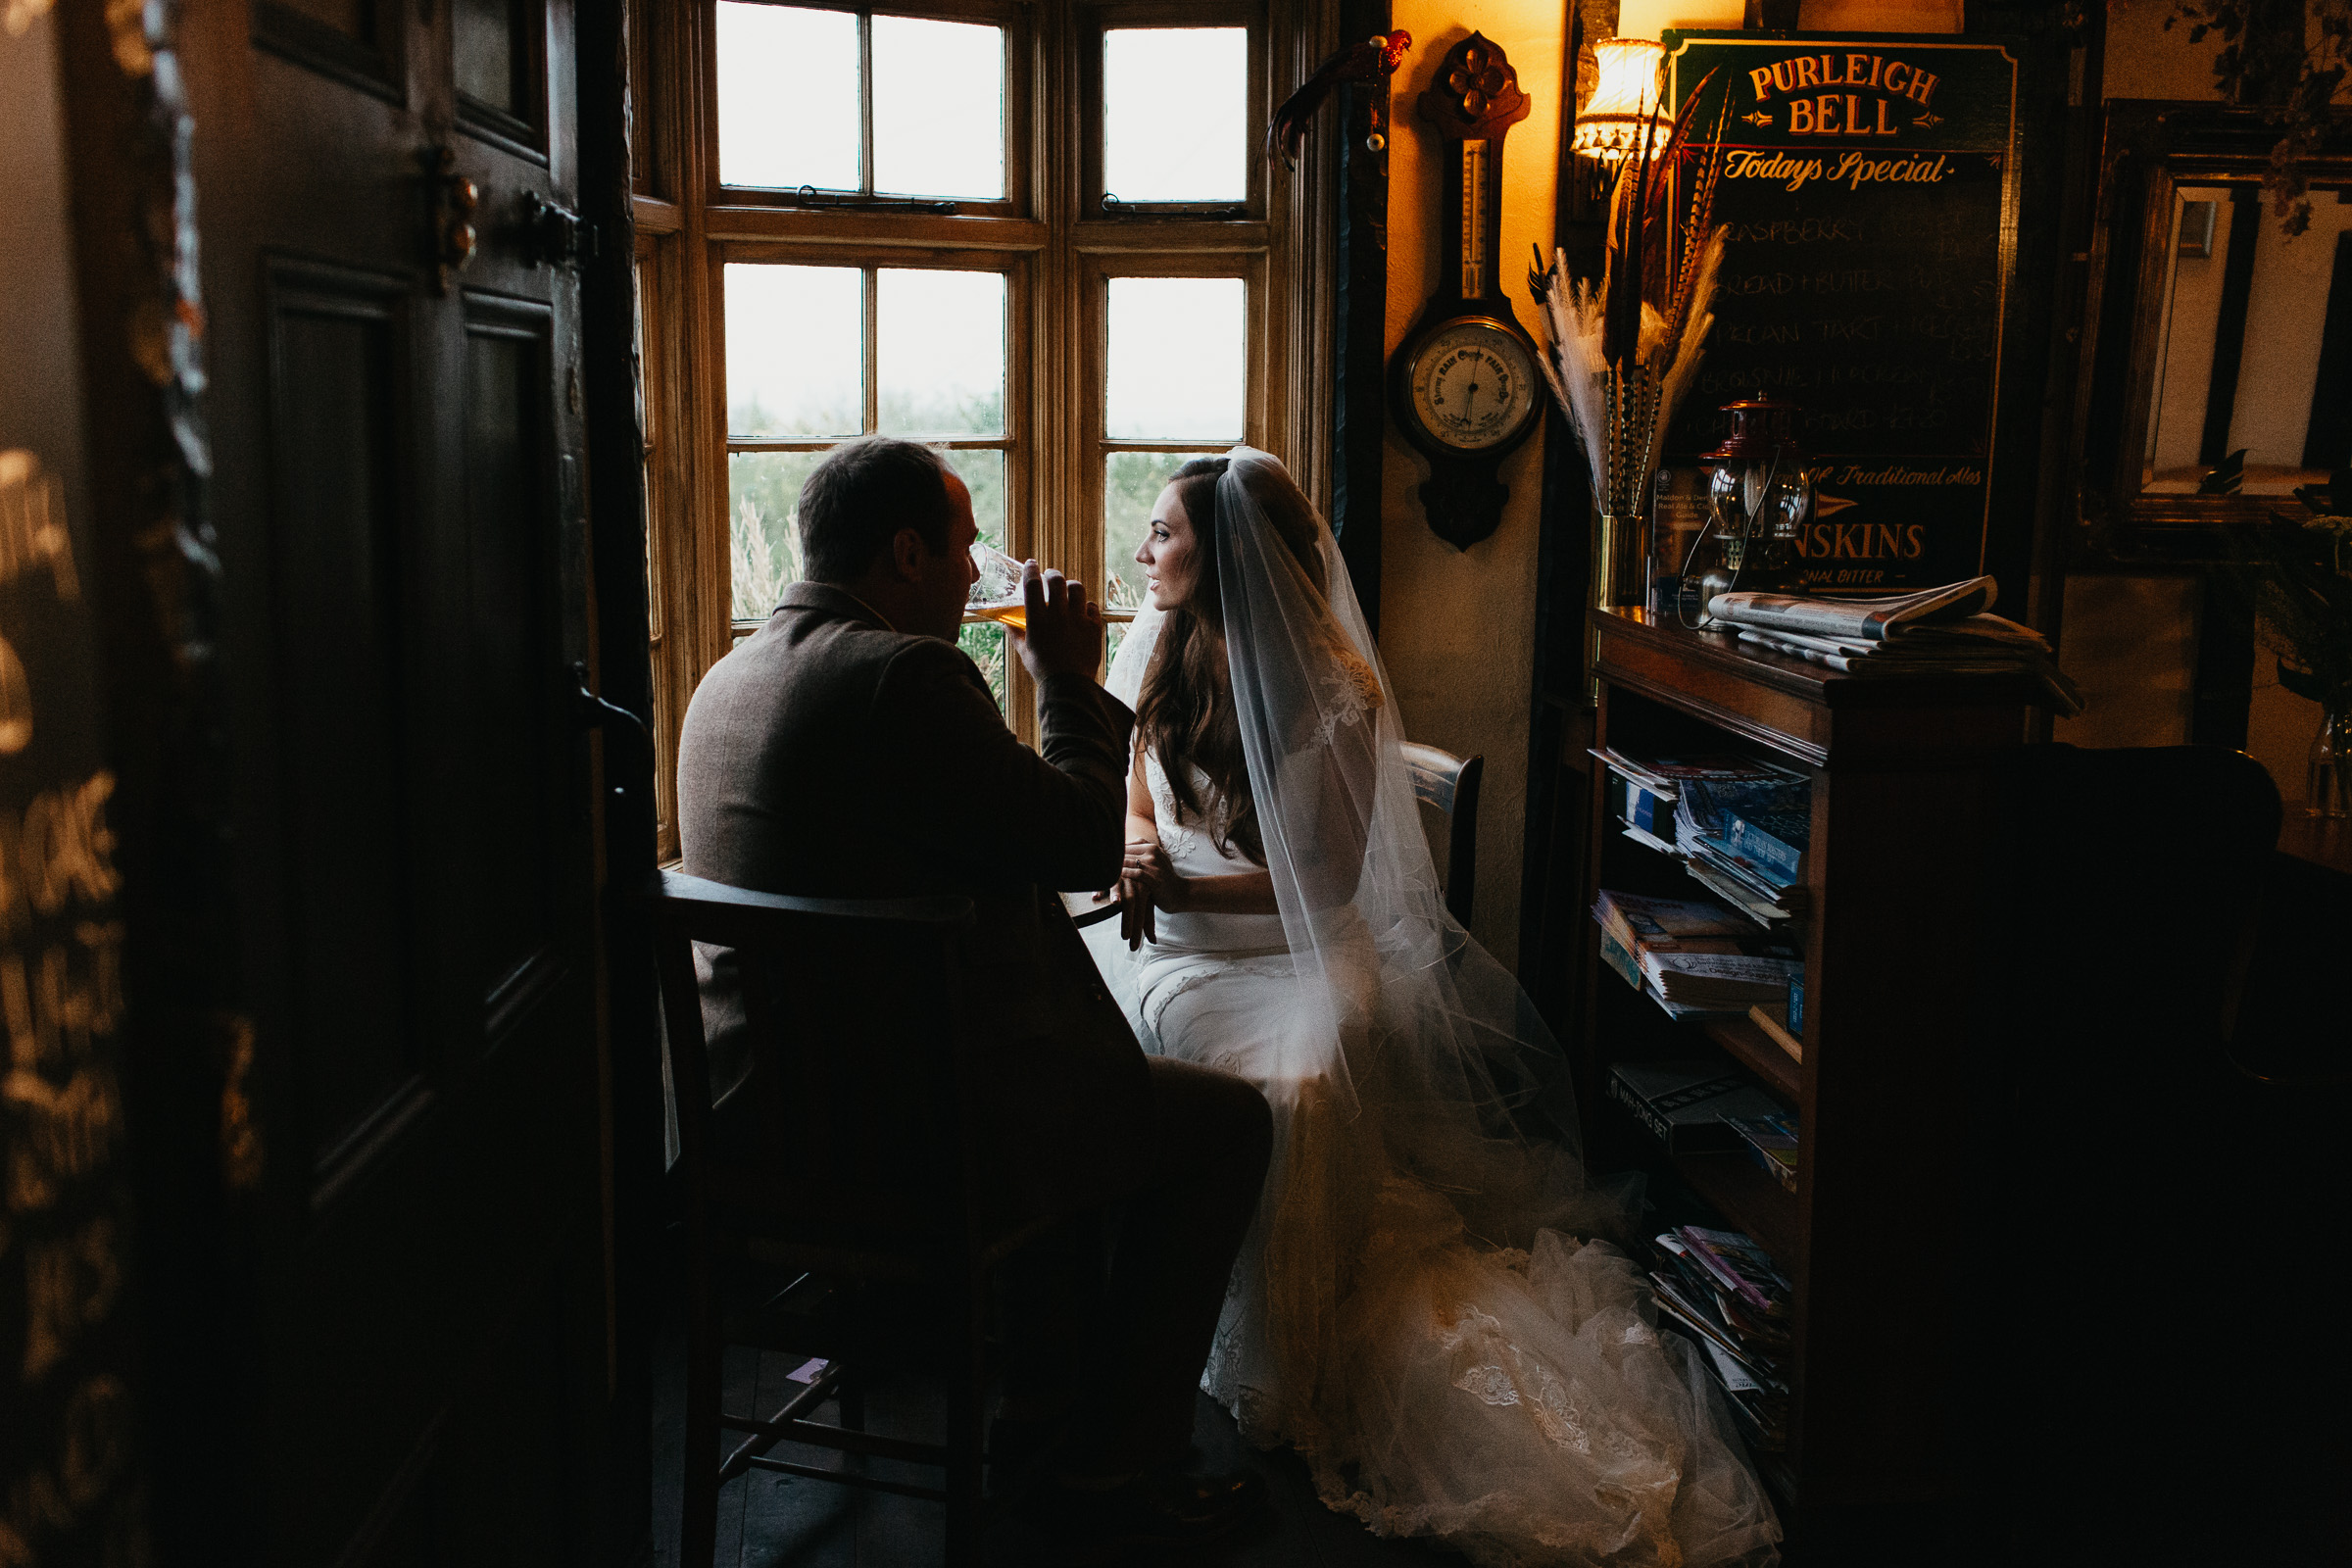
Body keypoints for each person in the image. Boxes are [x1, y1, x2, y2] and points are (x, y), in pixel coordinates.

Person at [1082, 448, 1785, 1568]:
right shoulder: (1165, 641)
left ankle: (1289, 1340)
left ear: (1230, 556)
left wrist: (1183, 884)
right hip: (1170, 935)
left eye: (1162, 533)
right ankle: (1152, 1309)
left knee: (1307, 1079)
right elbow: (1130, 774)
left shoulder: (1336, 691)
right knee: (1119, 1036)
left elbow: (1325, 881)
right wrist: (1132, 848)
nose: (1142, 550)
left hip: (1296, 951)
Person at [674, 436, 1274, 1551]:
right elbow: (1085, 837)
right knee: (1225, 1122)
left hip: (761, 1124)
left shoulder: (733, 672)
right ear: (905, 551)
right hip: (905, 1138)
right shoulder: (903, 675)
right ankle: (1113, 1457)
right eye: (961, 551)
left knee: (1072, 1069)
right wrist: (1062, 675)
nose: (973, 577)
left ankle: (1041, 1411)